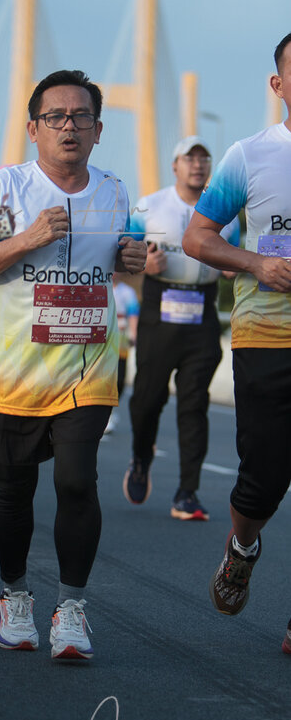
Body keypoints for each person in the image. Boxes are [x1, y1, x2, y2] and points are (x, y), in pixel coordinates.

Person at [0, 69, 146, 660]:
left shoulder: (114, 192)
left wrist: (134, 258)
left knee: (76, 481)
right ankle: (14, 596)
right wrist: (27, 238)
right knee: (12, 489)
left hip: (87, 366)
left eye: (81, 117)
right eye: (56, 117)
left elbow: (127, 262)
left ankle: (71, 608)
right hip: (14, 366)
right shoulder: (6, 187)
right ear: (33, 128)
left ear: (98, 130)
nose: (69, 126)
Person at [182, 33, 291, 651]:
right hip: (267, 339)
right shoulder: (249, 155)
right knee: (263, 478)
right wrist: (256, 263)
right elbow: (198, 238)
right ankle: (243, 546)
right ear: (278, 85)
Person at [124, 137, 240, 520]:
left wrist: (233, 266)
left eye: (204, 158)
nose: (198, 164)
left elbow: (234, 261)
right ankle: (140, 459)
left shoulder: (225, 212)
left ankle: (187, 493)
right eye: (189, 158)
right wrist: (142, 265)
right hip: (159, 311)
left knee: (194, 404)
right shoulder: (149, 205)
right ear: (175, 166)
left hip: (202, 313)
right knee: (147, 400)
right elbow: (121, 257)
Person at [103, 275, 139, 434]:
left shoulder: (127, 292)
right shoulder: (98, 285)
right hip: (100, 339)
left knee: (119, 378)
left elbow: (133, 314)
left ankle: (110, 410)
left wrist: (134, 335)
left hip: (120, 340)